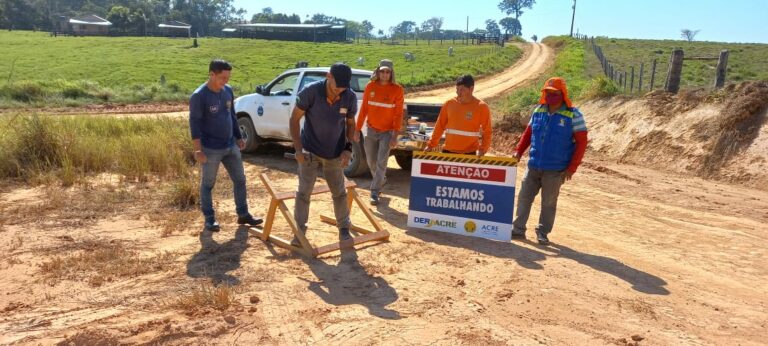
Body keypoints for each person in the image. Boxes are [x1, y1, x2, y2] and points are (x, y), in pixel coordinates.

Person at [511, 77, 588, 245]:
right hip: (533, 165)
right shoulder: (538, 111)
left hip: (555, 170)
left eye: (554, 94)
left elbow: (582, 143)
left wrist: (572, 168)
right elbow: (528, 134)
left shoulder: (574, 115)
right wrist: (518, 152)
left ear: (562, 94)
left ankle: (543, 232)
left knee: (548, 203)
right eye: (547, 93)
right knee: (524, 197)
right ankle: (518, 229)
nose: (550, 97)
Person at [189, 59, 263, 232]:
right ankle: (209, 219)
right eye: (222, 78)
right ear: (211, 74)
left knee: (240, 180)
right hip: (210, 148)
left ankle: (243, 214)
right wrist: (198, 149)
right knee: (208, 184)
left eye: (228, 77)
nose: (226, 81)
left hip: (230, 145)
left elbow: (232, 115)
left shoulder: (228, 90)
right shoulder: (199, 96)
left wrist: (238, 137)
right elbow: (194, 124)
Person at [289, 63, 358, 245]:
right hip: (309, 150)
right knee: (303, 192)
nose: (339, 91)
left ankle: (344, 228)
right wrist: (298, 149)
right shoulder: (310, 92)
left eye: (343, 88)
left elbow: (351, 123)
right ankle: (299, 232)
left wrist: (347, 148)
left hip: (334, 152)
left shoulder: (349, 96)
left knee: (339, 192)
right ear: (328, 76)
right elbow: (294, 120)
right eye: (336, 87)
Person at [353, 59, 405, 205]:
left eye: (387, 72)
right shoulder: (370, 87)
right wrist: (357, 129)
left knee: (381, 163)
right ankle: (381, 179)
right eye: (382, 71)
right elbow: (364, 110)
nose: (384, 74)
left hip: (387, 133)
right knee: (371, 161)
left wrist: (395, 135)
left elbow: (398, 114)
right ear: (378, 72)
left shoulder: (397, 90)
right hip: (371, 130)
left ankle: (374, 192)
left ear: (391, 73)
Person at [426, 74, 492, 156]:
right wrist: (431, 144)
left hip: (469, 154)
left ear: (471, 89)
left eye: (462, 89)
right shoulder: (449, 104)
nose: (458, 93)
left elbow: (487, 131)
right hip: (448, 152)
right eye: (457, 89)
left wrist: (483, 149)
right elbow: (440, 125)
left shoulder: (481, 107)